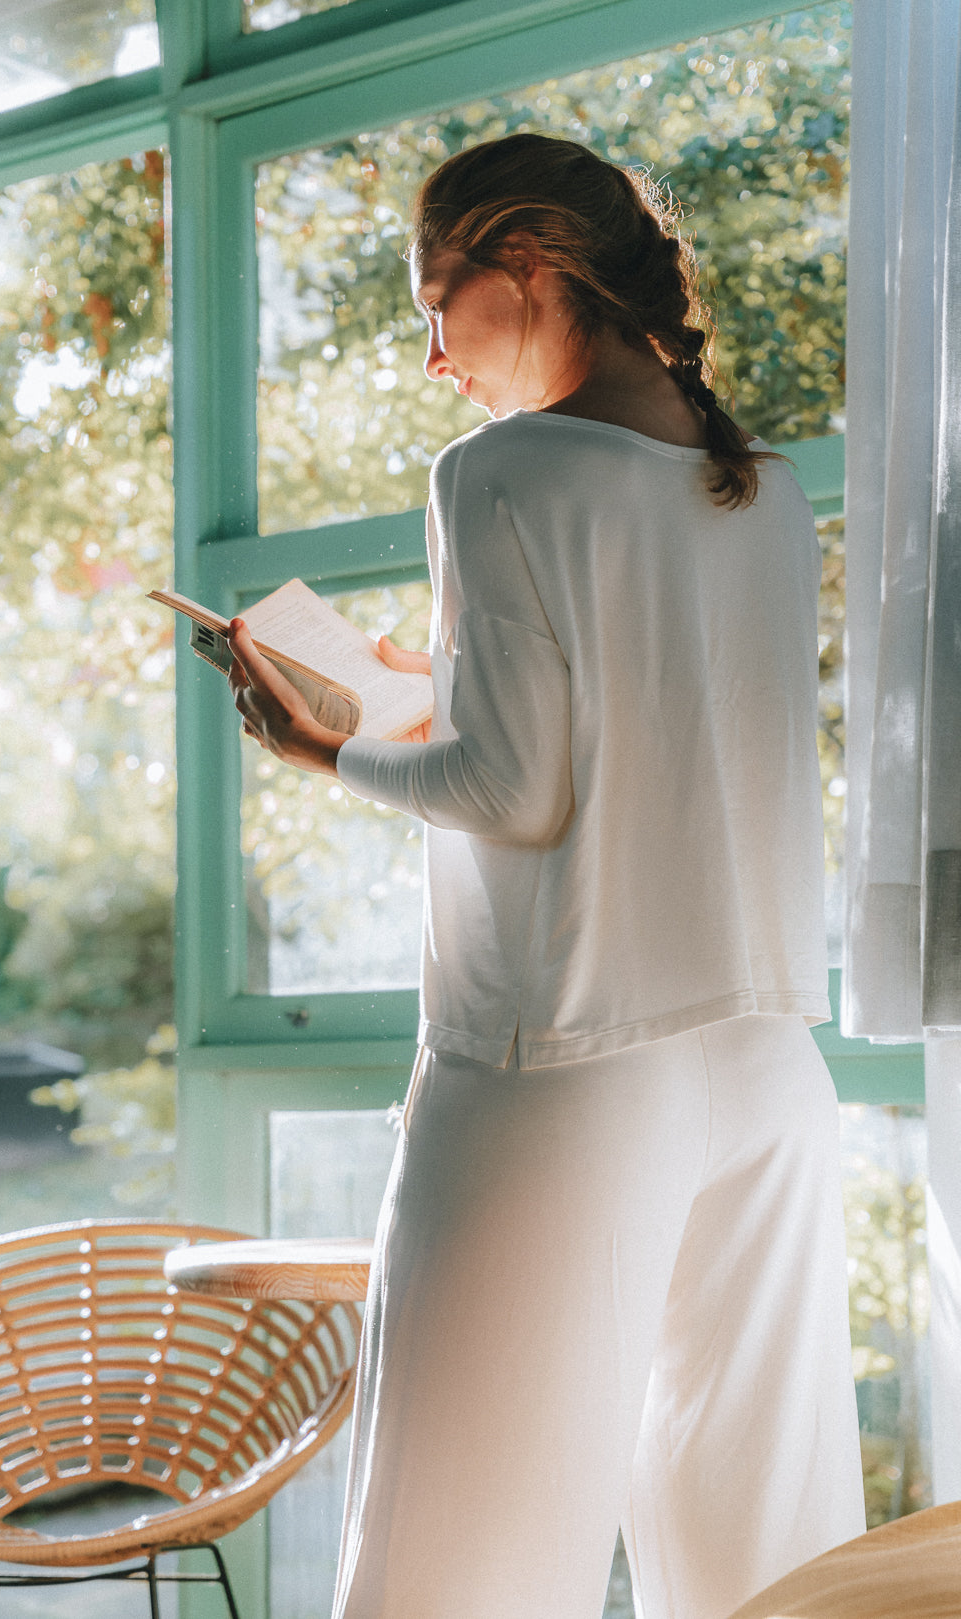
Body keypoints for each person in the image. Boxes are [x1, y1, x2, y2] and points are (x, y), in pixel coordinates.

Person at [227, 132, 866, 1619]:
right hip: (769, 1072)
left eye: (430, 305)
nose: (433, 358)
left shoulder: (498, 475)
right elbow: (661, 746)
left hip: (559, 1074)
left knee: (456, 1567)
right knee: (764, 1570)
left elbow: (512, 793)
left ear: (523, 266)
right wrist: (427, 681)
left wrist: (319, 749)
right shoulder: (759, 490)